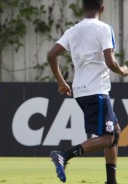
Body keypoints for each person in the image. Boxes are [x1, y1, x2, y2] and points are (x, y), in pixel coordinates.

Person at [47, 0, 128, 183]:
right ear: (103, 8)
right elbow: (110, 61)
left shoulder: (73, 30)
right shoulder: (104, 28)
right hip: (96, 90)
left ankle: (111, 180)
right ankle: (64, 155)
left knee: (114, 132)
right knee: (108, 138)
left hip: (80, 91)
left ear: (83, 8)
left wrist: (61, 82)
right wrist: (122, 71)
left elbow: (51, 55)